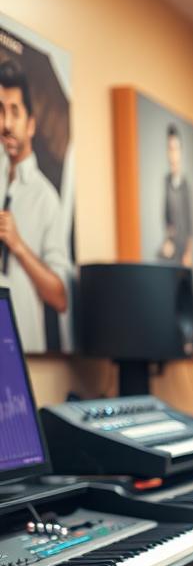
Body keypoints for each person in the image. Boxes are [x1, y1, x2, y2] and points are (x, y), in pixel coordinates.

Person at [0, 60, 70, 354]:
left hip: (22, 352)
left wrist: (18, 246)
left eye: (15, 112)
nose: (6, 123)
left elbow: (60, 297)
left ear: (30, 125)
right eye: (1, 111)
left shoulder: (46, 198)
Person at [159, 123, 193, 266]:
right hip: (171, 249)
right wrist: (168, 239)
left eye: (175, 149)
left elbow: (191, 225)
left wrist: (188, 253)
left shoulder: (185, 186)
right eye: (170, 149)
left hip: (183, 251)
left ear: (180, 151)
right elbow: (166, 218)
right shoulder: (166, 182)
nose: (173, 154)